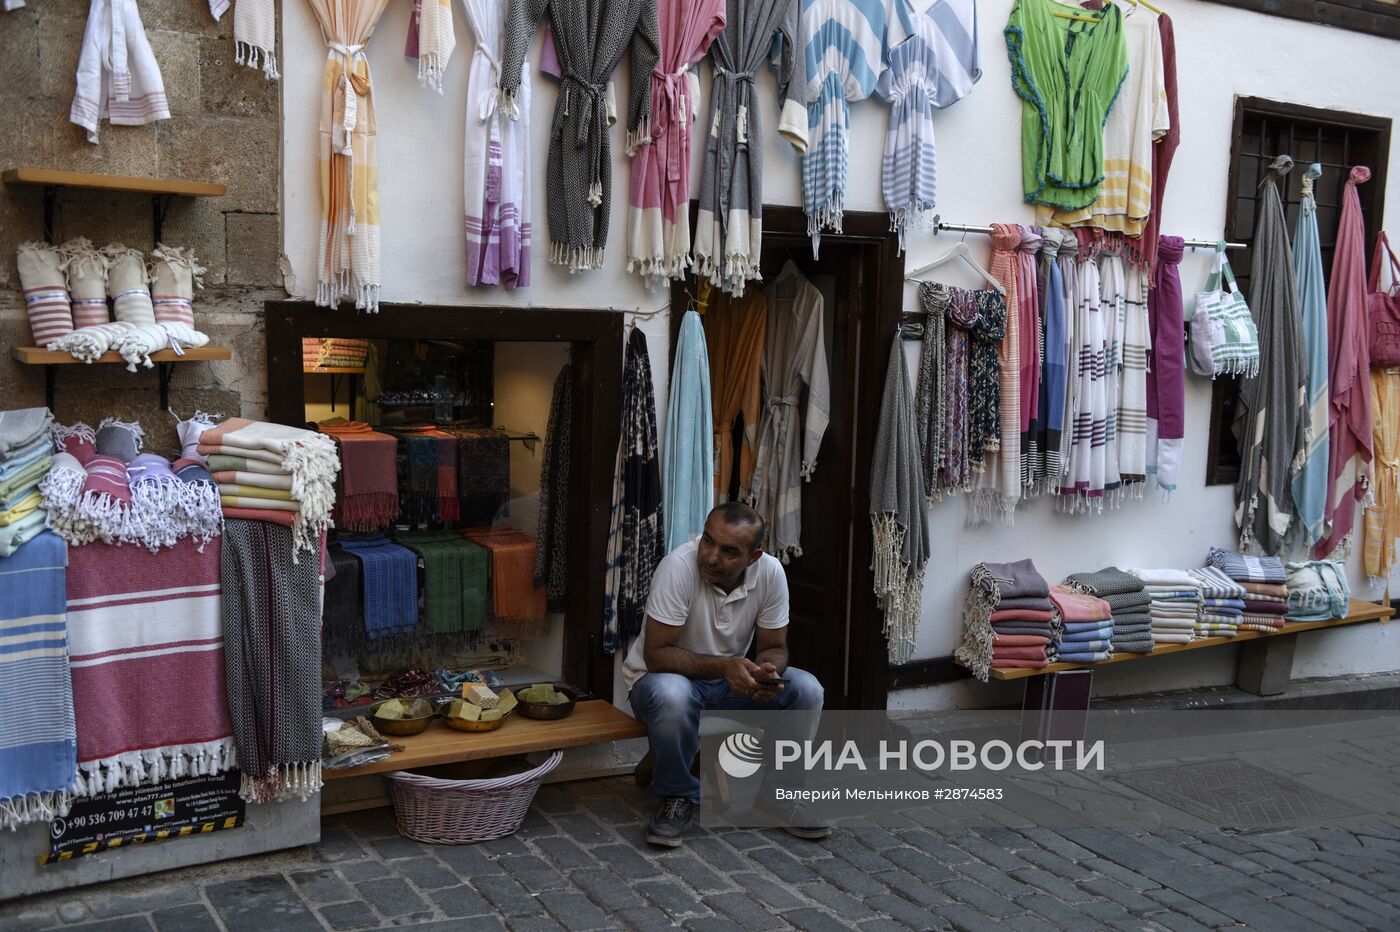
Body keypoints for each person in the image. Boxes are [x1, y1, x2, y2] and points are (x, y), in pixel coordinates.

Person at [624, 502, 828, 847]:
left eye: (729, 551)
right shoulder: (678, 567)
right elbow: (656, 656)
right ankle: (676, 797)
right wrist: (724, 666)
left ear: (753, 556)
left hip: (727, 683)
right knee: (674, 694)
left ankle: (777, 799)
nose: (712, 557)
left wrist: (767, 673)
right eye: (708, 541)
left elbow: (775, 647)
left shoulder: (771, 573)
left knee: (807, 689)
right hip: (658, 683)